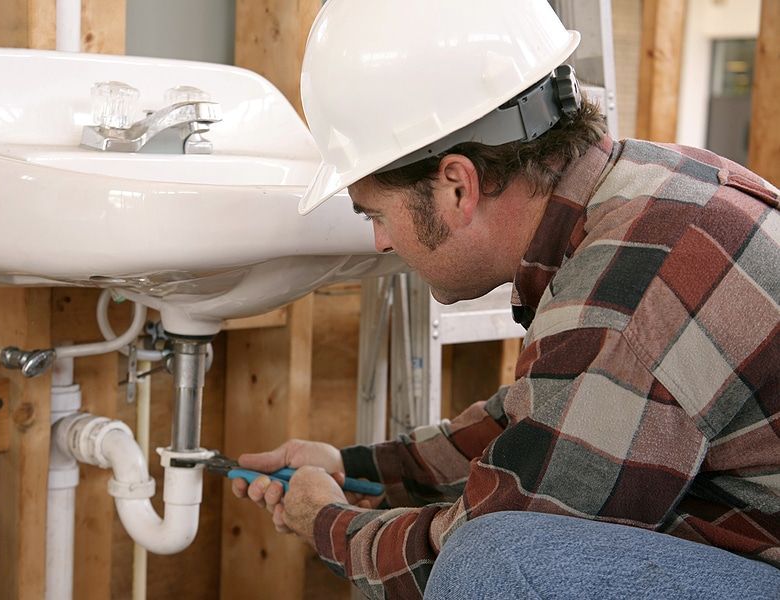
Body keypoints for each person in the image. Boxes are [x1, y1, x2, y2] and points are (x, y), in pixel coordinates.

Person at [232, 1, 780, 598]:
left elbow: (500, 533)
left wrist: (327, 523)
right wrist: (357, 467)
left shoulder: (631, 291)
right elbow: (547, 421)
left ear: (458, 186)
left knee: (493, 561)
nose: (380, 241)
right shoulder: (641, 195)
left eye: (377, 213)